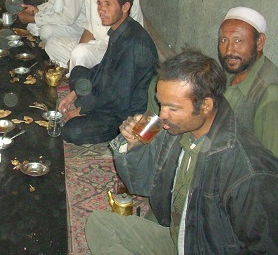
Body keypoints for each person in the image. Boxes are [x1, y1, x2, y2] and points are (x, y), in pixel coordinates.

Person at [86, 50, 278, 253]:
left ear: (205, 105)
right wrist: (133, 146)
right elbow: (140, 183)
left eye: (172, 108)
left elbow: (266, 246)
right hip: (180, 238)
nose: (162, 115)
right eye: (160, 104)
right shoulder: (178, 129)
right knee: (99, 223)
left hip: (205, 248)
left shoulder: (248, 170)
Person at [58, 0, 158, 145]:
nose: (101, 10)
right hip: (112, 90)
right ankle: (86, 104)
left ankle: (114, 130)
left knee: (71, 131)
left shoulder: (134, 42)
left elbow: (119, 96)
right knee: (78, 72)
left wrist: (82, 110)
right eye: (99, 4)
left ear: (125, 7)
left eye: (108, 5)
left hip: (125, 112)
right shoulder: (119, 30)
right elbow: (103, 69)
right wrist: (74, 93)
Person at [218, 6, 278, 156]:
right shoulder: (228, 74)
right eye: (224, 40)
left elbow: (270, 163)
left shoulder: (270, 93)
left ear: (260, 42)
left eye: (238, 41)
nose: (229, 50)